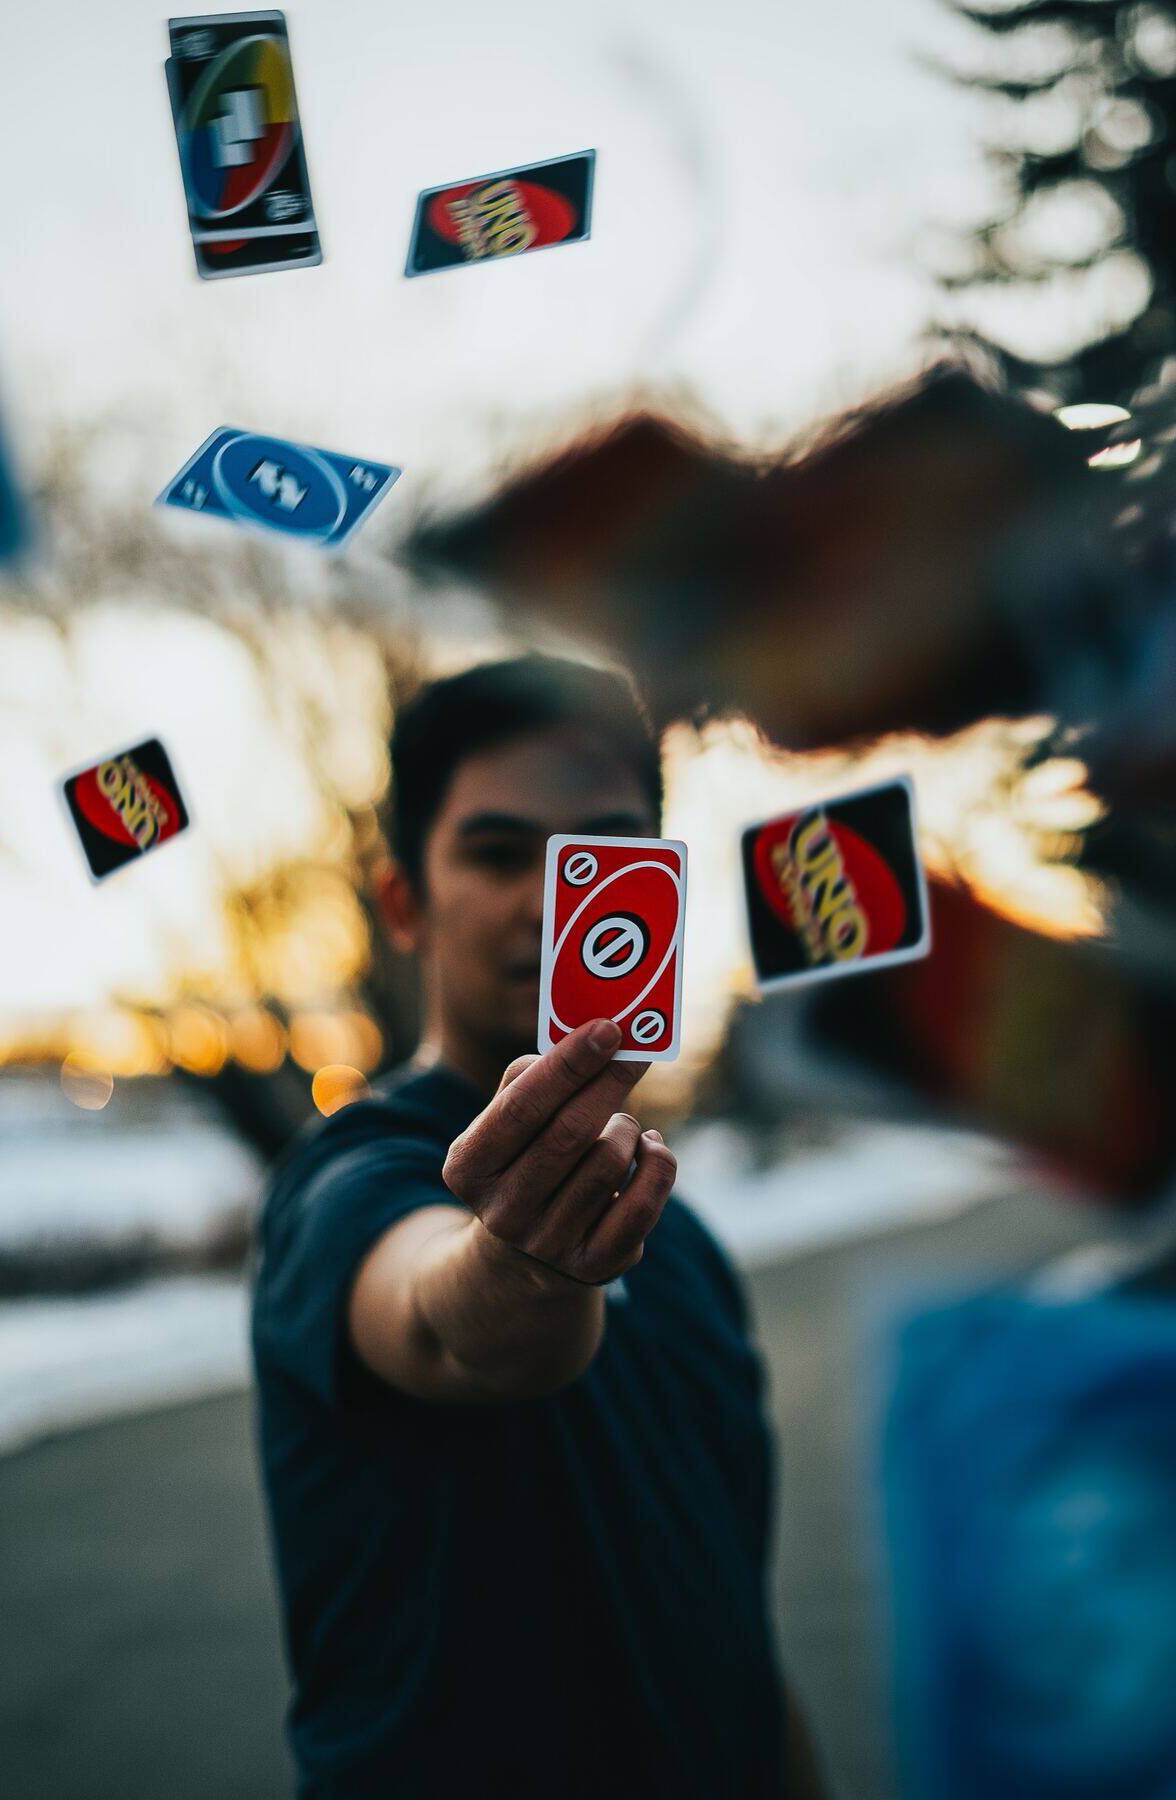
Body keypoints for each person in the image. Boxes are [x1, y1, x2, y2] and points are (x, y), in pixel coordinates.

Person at [251, 653, 829, 1799]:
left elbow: (729, 1636)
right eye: (500, 852)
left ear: (658, 888)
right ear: (403, 903)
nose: (555, 898)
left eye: (601, 853)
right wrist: (523, 1267)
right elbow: (450, 1323)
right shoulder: (349, 1179)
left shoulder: (692, 1253)